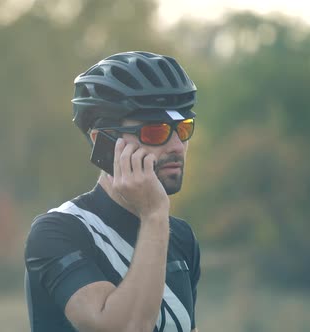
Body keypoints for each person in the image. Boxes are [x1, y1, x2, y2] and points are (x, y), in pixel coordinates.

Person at [24, 51, 201, 332]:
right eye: (155, 132)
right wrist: (154, 215)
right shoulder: (58, 231)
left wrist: (157, 218)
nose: (177, 146)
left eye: (183, 128)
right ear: (103, 141)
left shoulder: (181, 237)